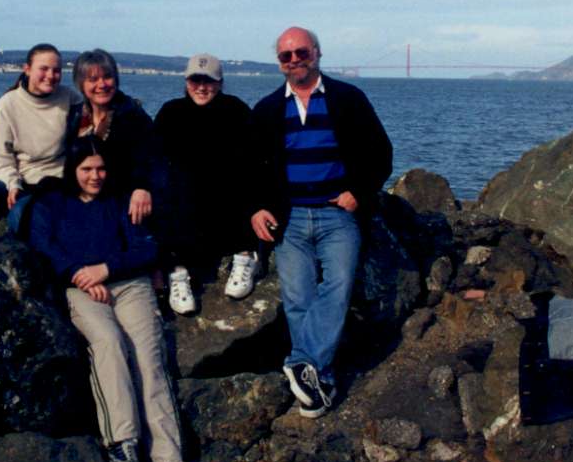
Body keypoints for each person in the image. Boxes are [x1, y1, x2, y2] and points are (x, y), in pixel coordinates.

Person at [28, 136, 185, 462]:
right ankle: (123, 440)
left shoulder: (120, 199)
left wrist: (105, 268)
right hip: (82, 288)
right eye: (86, 169)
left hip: (130, 285)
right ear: (72, 169)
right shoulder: (51, 203)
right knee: (109, 344)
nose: (95, 176)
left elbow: (146, 247)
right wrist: (82, 274)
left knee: (149, 360)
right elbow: (43, 248)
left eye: (101, 168)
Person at [249, 27, 393, 418]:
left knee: (339, 286)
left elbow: (381, 152)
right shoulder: (266, 109)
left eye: (301, 52)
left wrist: (359, 192)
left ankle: (301, 364)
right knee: (297, 298)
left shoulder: (349, 99)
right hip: (290, 217)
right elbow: (251, 168)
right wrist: (258, 208)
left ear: (317, 53)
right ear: (279, 62)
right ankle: (318, 381)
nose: (294, 60)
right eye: (286, 56)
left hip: (336, 213)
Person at [153, 53, 259, 314]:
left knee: (245, 185)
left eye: (209, 81)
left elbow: (257, 159)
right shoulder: (170, 112)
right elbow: (153, 158)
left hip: (226, 200)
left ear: (220, 83)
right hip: (187, 202)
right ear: (186, 82)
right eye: (195, 81)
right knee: (169, 196)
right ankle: (177, 274)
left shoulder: (237, 110)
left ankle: (246, 256)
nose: (201, 87)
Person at [0, 43, 80, 235]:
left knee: (20, 212)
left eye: (56, 70)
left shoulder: (70, 98)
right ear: (27, 69)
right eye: (43, 69)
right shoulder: (9, 103)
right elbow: (1, 155)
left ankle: (14, 260)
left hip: (52, 181)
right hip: (17, 176)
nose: (50, 76)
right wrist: (12, 183)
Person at [67, 49, 156, 226]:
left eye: (107, 77)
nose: (102, 84)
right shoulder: (76, 116)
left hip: (121, 198)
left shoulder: (133, 116)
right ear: (81, 84)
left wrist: (143, 188)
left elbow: (152, 158)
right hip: (83, 195)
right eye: (93, 79)